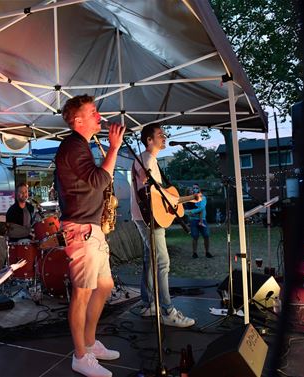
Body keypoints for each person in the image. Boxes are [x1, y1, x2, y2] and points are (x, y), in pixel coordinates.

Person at [54, 94, 124, 377]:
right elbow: (98, 180)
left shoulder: (80, 145)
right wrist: (114, 148)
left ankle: (90, 342)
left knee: (104, 286)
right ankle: (80, 356)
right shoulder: (73, 146)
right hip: (80, 230)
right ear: (78, 119)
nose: (99, 116)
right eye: (93, 111)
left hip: (92, 229)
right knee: (82, 294)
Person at [130, 123, 197, 328]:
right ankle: (168, 311)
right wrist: (175, 198)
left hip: (144, 216)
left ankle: (149, 303)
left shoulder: (146, 159)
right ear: (149, 140)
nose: (165, 137)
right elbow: (150, 187)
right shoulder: (148, 159)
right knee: (163, 263)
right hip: (149, 218)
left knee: (151, 260)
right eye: (160, 135)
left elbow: (159, 193)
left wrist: (187, 199)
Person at [186, 184, 213, 258]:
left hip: (202, 219)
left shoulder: (203, 197)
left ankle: (207, 252)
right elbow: (186, 210)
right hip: (193, 220)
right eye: (193, 188)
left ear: (199, 189)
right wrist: (188, 213)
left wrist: (191, 212)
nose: (195, 189)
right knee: (195, 236)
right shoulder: (190, 199)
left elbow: (201, 208)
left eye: (196, 188)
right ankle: (194, 253)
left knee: (206, 235)